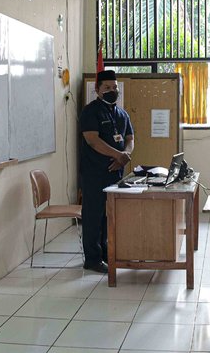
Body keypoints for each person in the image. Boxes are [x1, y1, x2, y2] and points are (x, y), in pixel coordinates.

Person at [80, 69, 134, 273]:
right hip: (95, 173)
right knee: (93, 215)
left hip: (115, 173)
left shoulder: (122, 113)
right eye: (107, 88)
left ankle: (105, 253)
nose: (112, 91)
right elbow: (93, 140)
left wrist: (125, 156)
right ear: (97, 89)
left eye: (115, 88)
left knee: (108, 216)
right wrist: (117, 155)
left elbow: (129, 138)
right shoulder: (90, 111)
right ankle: (92, 259)